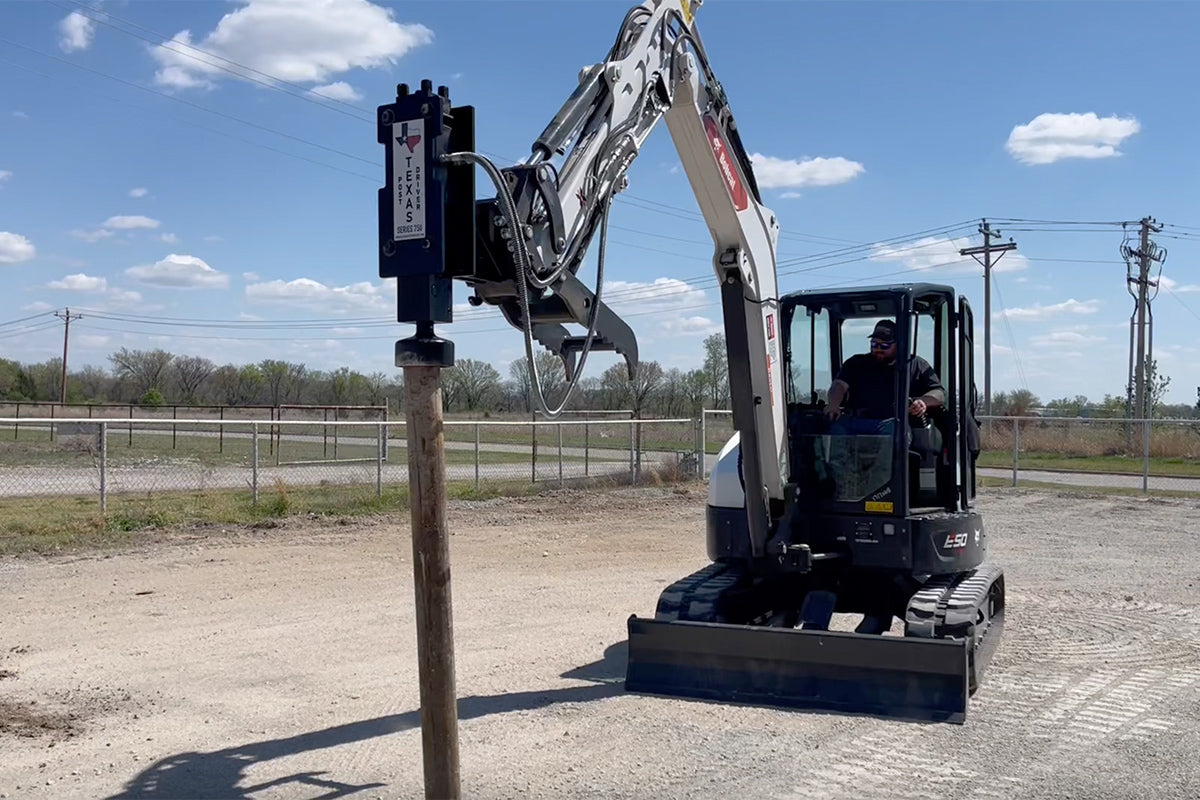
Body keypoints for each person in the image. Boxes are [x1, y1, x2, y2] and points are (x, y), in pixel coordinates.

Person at [824, 319, 944, 430]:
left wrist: (922, 401)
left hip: (893, 423)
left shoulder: (916, 364)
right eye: (874, 344)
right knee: (836, 427)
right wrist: (834, 404)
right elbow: (839, 385)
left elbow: (939, 394)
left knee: (895, 428)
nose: (878, 349)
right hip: (857, 421)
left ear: (899, 344)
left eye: (884, 346)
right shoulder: (855, 363)